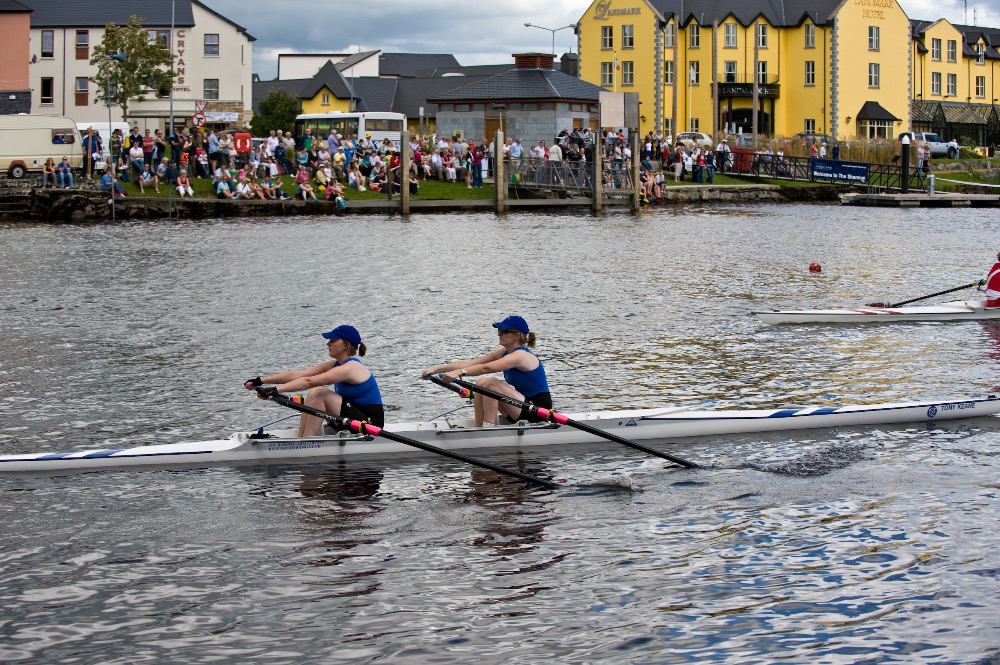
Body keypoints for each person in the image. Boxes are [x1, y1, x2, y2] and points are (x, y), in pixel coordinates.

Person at [245, 324, 384, 435]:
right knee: (314, 392)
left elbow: (309, 382)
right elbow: (298, 375)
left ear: (345, 345)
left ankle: (307, 441)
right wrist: (261, 381)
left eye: (333, 340)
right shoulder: (335, 365)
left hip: (370, 424)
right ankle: (303, 438)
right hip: (351, 417)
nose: (328, 344)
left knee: (318, 392)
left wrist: (274, 390)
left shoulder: (351, 368)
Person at [421, 315, 552, 428]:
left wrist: (458, 373)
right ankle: (479, 429)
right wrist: (435, 369)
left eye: (503, 331)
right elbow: (472, 363)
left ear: (517, 336)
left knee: (491, 384)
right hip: (519, 407)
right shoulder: (505, 353)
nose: (499, 334)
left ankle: (488, 430)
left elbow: (486, 368)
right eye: (499, 330)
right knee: (481, 383)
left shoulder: (521, 356)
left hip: (538, 411)